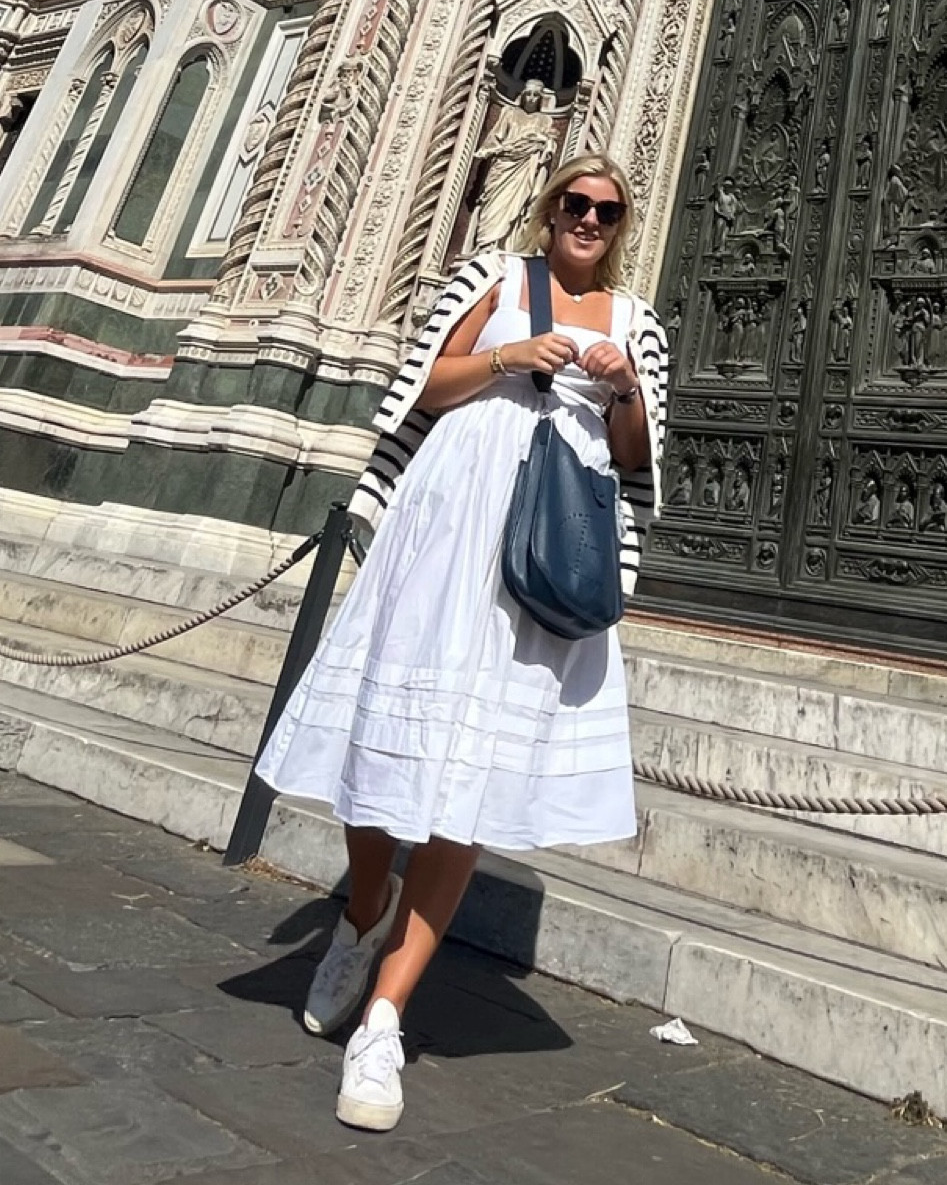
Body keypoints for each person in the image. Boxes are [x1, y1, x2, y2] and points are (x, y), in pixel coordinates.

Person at [255, 154, 669, 1135]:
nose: (589, 219)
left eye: (607, 211)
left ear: (621, 226)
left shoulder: (638, 322)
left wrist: (621, 389)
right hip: (447, 525)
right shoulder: (492, 277)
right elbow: (422, 390)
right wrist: (507, 358)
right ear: (549, 208)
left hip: (545, 546)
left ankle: (384, 1018)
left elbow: (640, 457)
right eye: (575, 203)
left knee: (471, 776)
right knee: (383, 742)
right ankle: (365, 910)